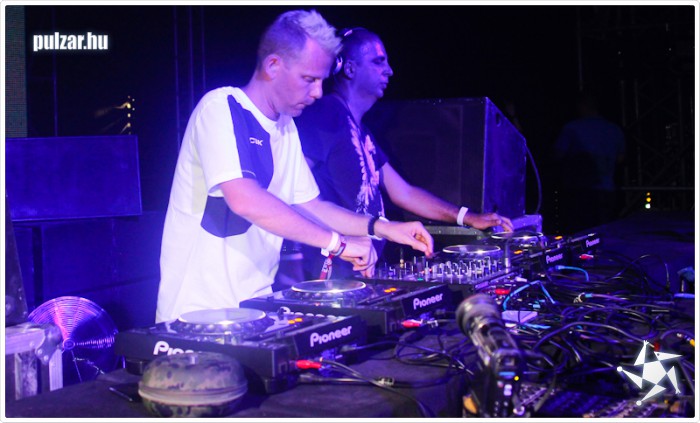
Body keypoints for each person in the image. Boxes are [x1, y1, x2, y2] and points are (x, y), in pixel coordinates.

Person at [155, 11, 434, 323]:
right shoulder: (221, 107)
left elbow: (312, 206)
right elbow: (245, 199)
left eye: (321, 81)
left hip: (254, 309)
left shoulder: (285, 128)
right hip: (197, 315)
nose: (317, 93)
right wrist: (337, 243)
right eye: (309, 79)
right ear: (273, 66)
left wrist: (382, 227)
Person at [294, 27, 513, 281]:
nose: (389, 71)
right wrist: (334, 242)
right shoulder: (326, 114)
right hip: (333, 273)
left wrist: (468, 217)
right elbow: (291, 191)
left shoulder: (360, 130)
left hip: (361, 270)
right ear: (350, 68)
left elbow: (404, 192)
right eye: (378, 62)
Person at [553, 90, 626, 234]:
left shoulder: (572, 128)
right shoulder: (613, 129)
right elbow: (621, 158)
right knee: (605, 233)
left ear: (582, 106)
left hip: (579, 191)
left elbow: (558, 155)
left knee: (579, 234)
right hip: (606, 189)